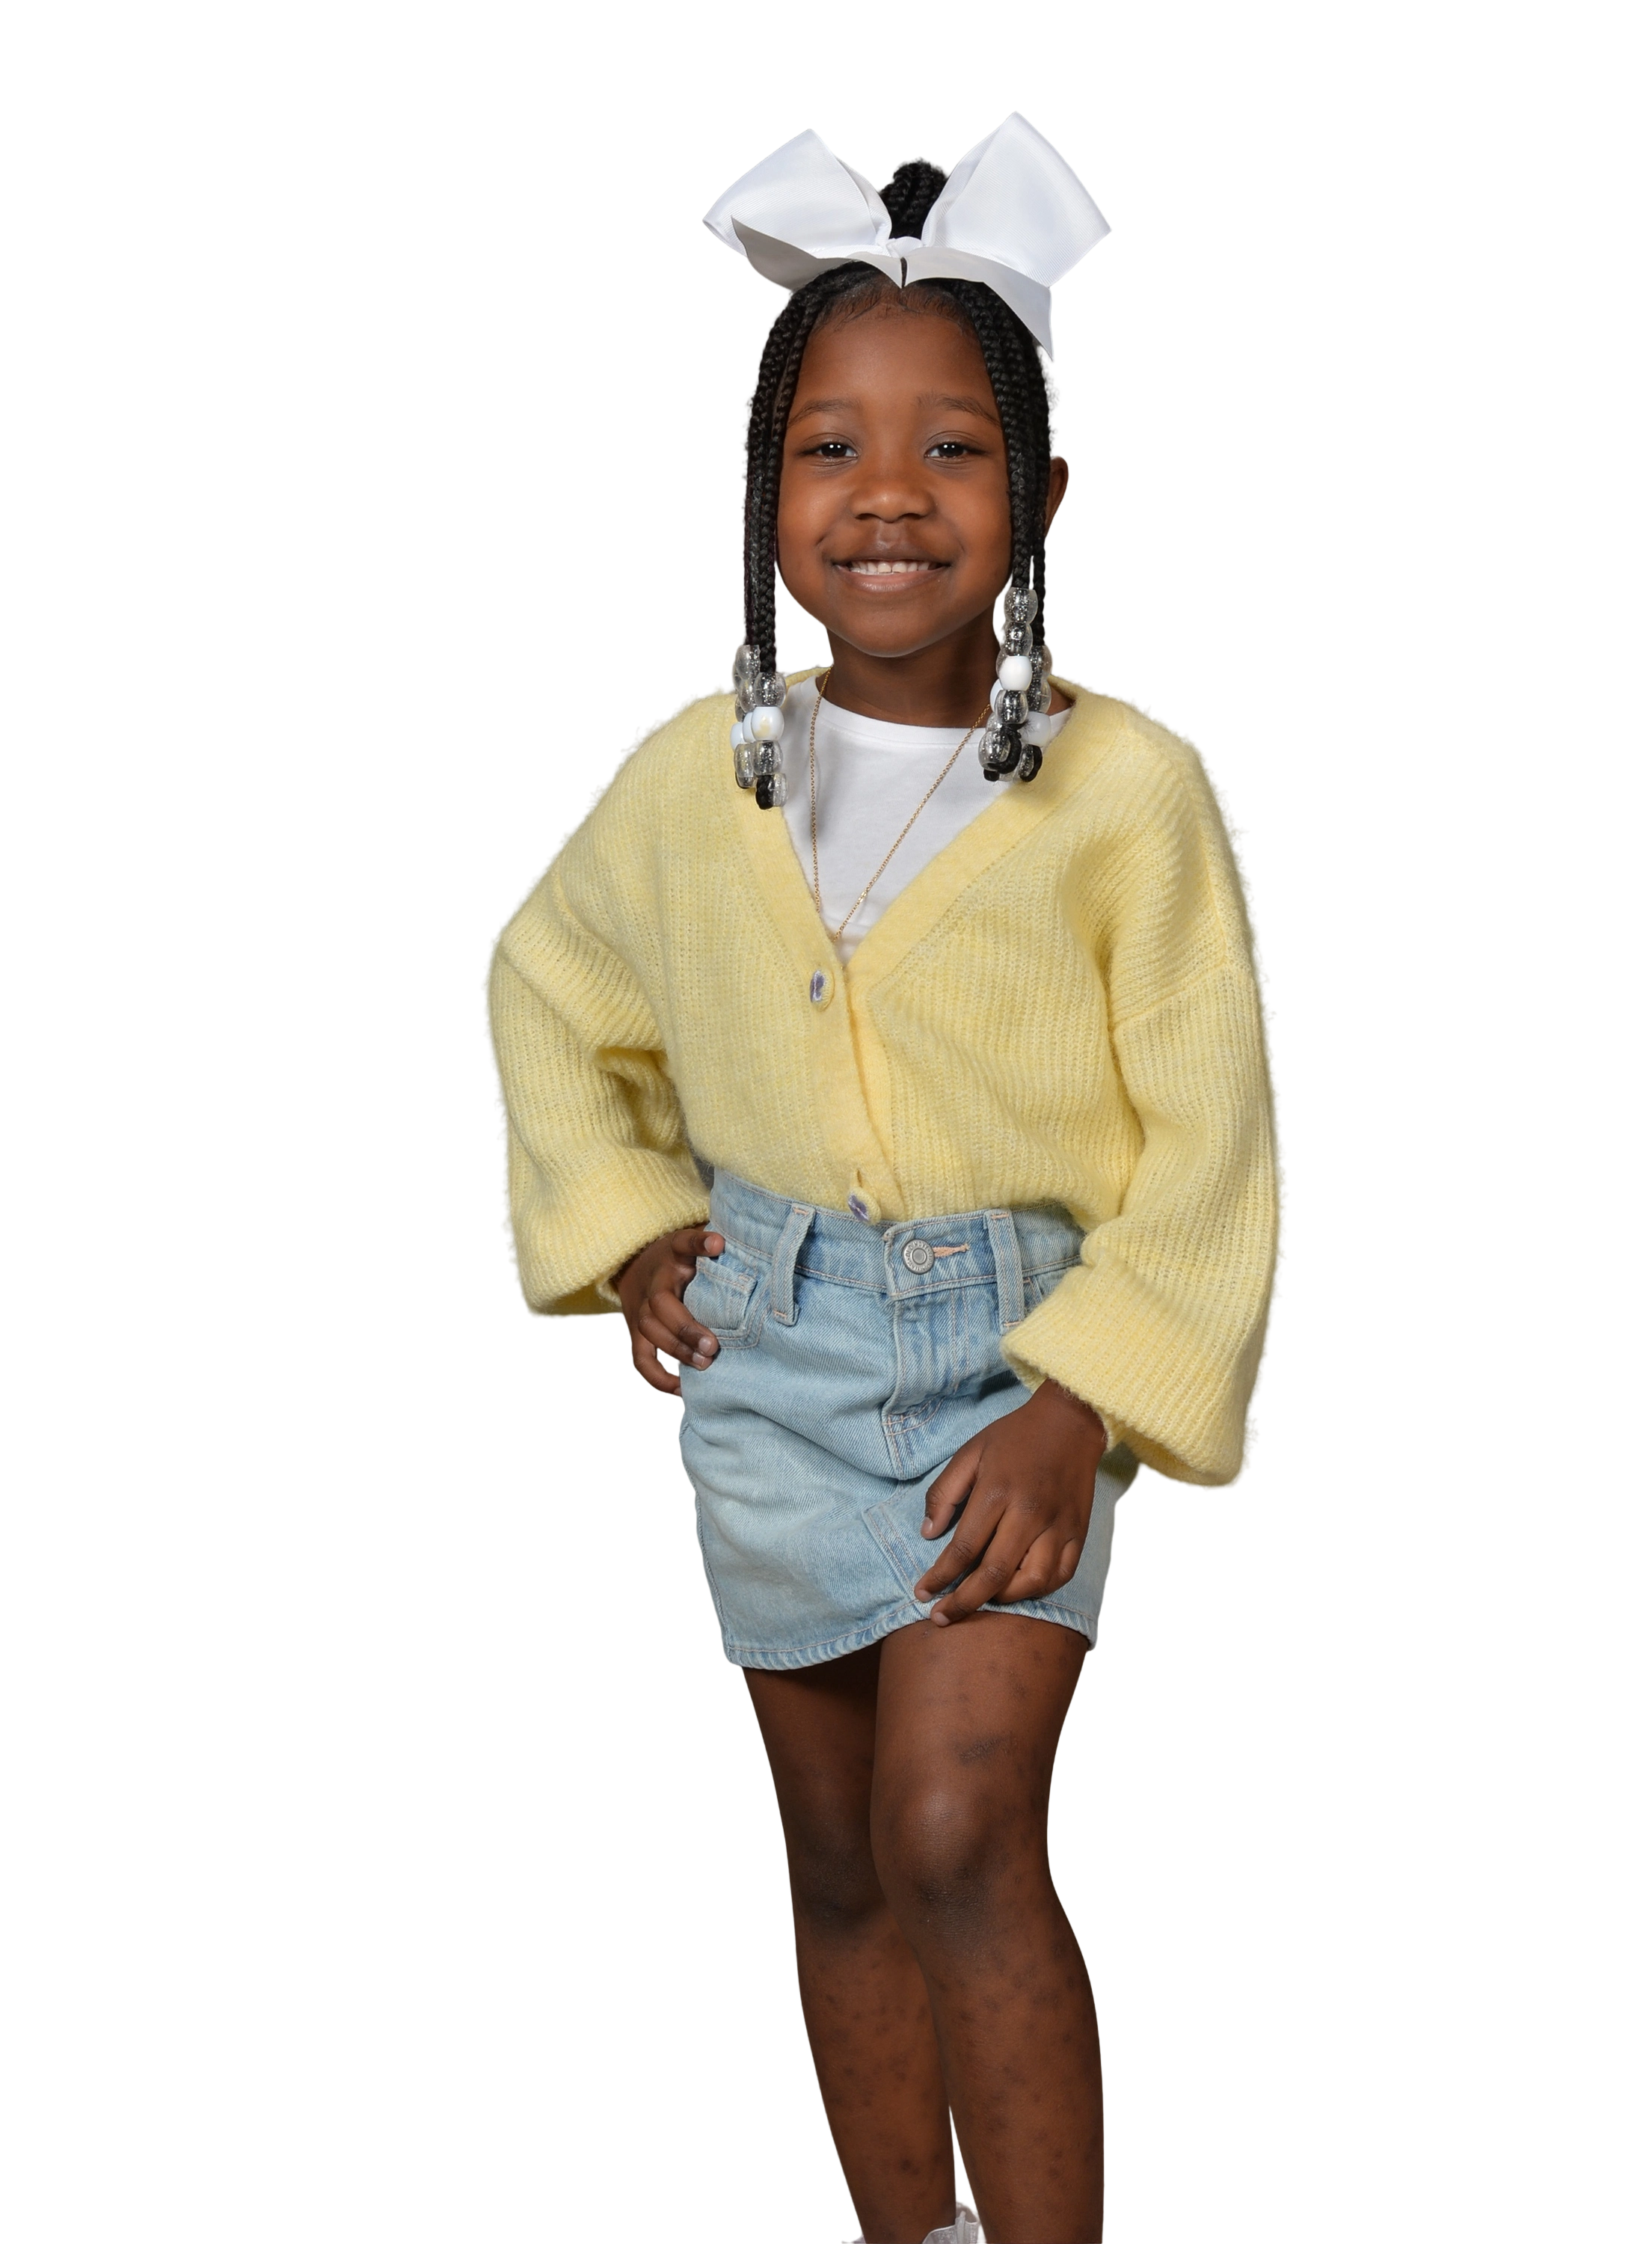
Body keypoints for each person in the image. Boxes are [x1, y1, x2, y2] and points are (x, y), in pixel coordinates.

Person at [482, 115, 1286, 2244]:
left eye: (953, 447)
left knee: (955, 1833)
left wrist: (1084, 1396)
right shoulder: (696, 777)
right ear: (765, 499)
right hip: (771, 1357)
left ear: (1041, 495)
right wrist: (630, 1227)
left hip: (1015, 1358)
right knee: (840, 1863)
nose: (889, 494)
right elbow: (546, 989)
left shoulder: (1129, 795)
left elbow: (1215, 1131)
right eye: (830, 448)